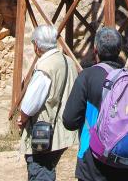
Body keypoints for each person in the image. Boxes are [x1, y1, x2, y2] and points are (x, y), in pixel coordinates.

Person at [62, 27, 128, 181]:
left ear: (95, 49)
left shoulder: (87, 77)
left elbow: (69, 121)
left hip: (94, 164)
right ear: (119, 50)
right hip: (126, 162)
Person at [18, 24, 78, 181]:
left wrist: (22, 119)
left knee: (40, 170)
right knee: (47, 168)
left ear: (37, 45)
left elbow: (30, 105)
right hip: (62, 130)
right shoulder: (68, 61)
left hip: (43, 132)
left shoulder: (45, 66)